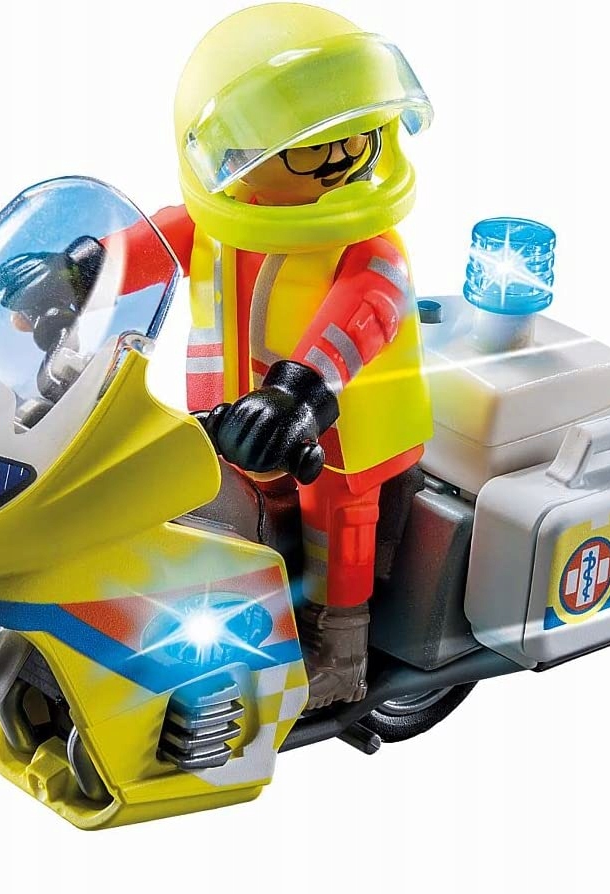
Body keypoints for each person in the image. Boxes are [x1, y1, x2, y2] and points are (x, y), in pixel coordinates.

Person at [133, 3, 436, 709]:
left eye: (356, 135)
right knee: (219, 513)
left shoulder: (369, 248)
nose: (340, 156)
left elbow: (360, 315)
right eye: (309, 145)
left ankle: (341, 655)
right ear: (239, 150)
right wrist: (81, 270)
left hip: (344, 435)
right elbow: (148, 245)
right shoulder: (220, 220)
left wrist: (298, 392)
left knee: (336, 522)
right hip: (234, 423)